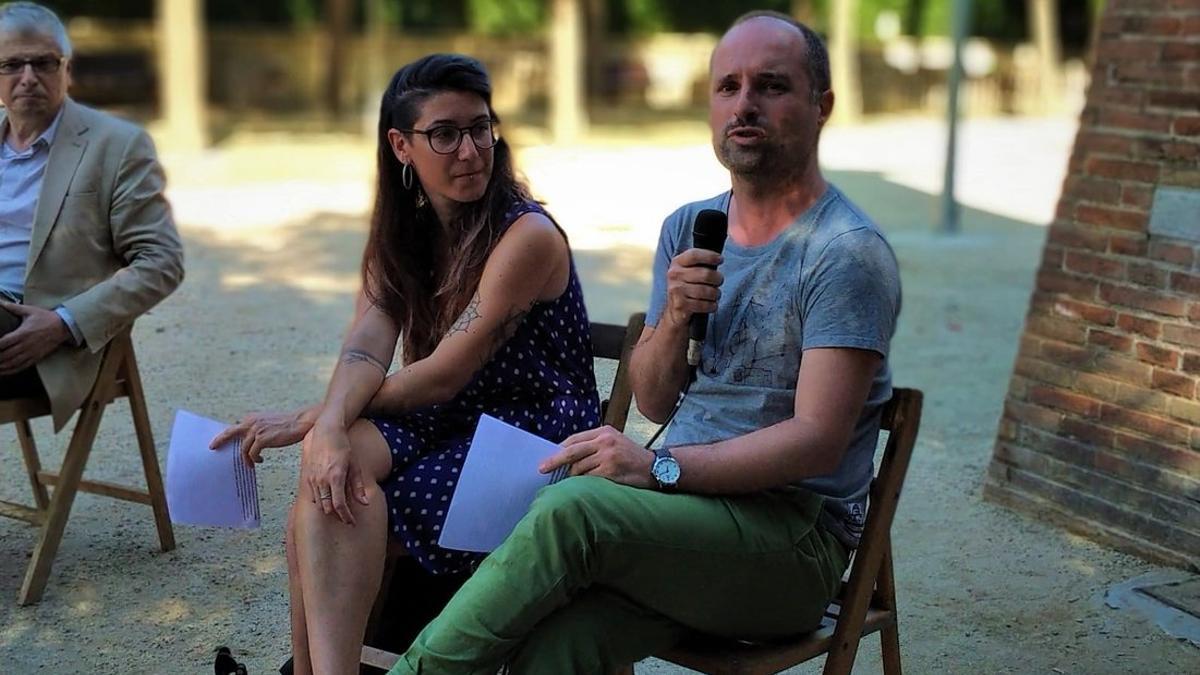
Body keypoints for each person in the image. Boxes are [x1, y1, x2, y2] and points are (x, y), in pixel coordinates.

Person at [388, 11, 902, 674]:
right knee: (555, 645)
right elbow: (657, 400)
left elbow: (817, 441)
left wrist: (658, 469)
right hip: (687, 520)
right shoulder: (689, 226)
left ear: (821, 105)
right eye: (728, 87)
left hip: (791, 541)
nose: (744, 104)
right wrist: (676, 317)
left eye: (771, 85)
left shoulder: (845, 253)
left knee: (575, 510)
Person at [212, 54, 600, 675]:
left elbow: (445, 370)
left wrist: (315, 418)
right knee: (333, 470)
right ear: (401, 145)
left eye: (480, 128)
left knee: (344, 491)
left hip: (529, 434)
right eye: (444, 134)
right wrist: (331, 430)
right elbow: (365, 345)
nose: (470, 150)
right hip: (445, 418)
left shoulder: (525, 236)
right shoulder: (406, 230)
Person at [0, 1, 183, 428]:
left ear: (66, 69)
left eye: (43, 62)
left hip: (39, 337)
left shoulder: (116, 146)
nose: (28, 77)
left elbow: (163, 262)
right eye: (12, 64)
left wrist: (64, 323)